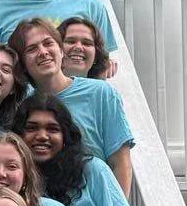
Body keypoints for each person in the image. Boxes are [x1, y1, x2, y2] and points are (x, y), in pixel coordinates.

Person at [11, 23, 134, 195]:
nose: (43, 52)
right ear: (22, 64)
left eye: (48, 43)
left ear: (61, 51)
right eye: (31, 49)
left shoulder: (101, 93)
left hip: (95, 205)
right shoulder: (21, 105)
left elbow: (120, 163)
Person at [57, 15, 111, 83]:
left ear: (96, 55)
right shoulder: (40, 90)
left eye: (86, 43)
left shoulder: (104, 92)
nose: (78, 47)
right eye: (71, 41)